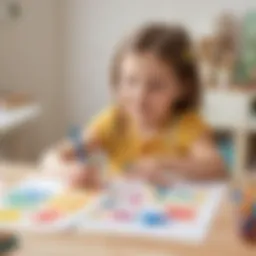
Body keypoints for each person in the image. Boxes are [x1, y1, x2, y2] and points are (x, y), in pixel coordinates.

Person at [51, 22, 226, 188]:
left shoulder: (187, 125)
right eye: (130, 81)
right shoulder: (114, 121)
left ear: (183, 88)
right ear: (118, 81)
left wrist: (161, 163)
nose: (140, 97)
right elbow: (53, 157)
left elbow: (216, 168)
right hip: (116, 214)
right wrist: (71, 172)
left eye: (156, 86)